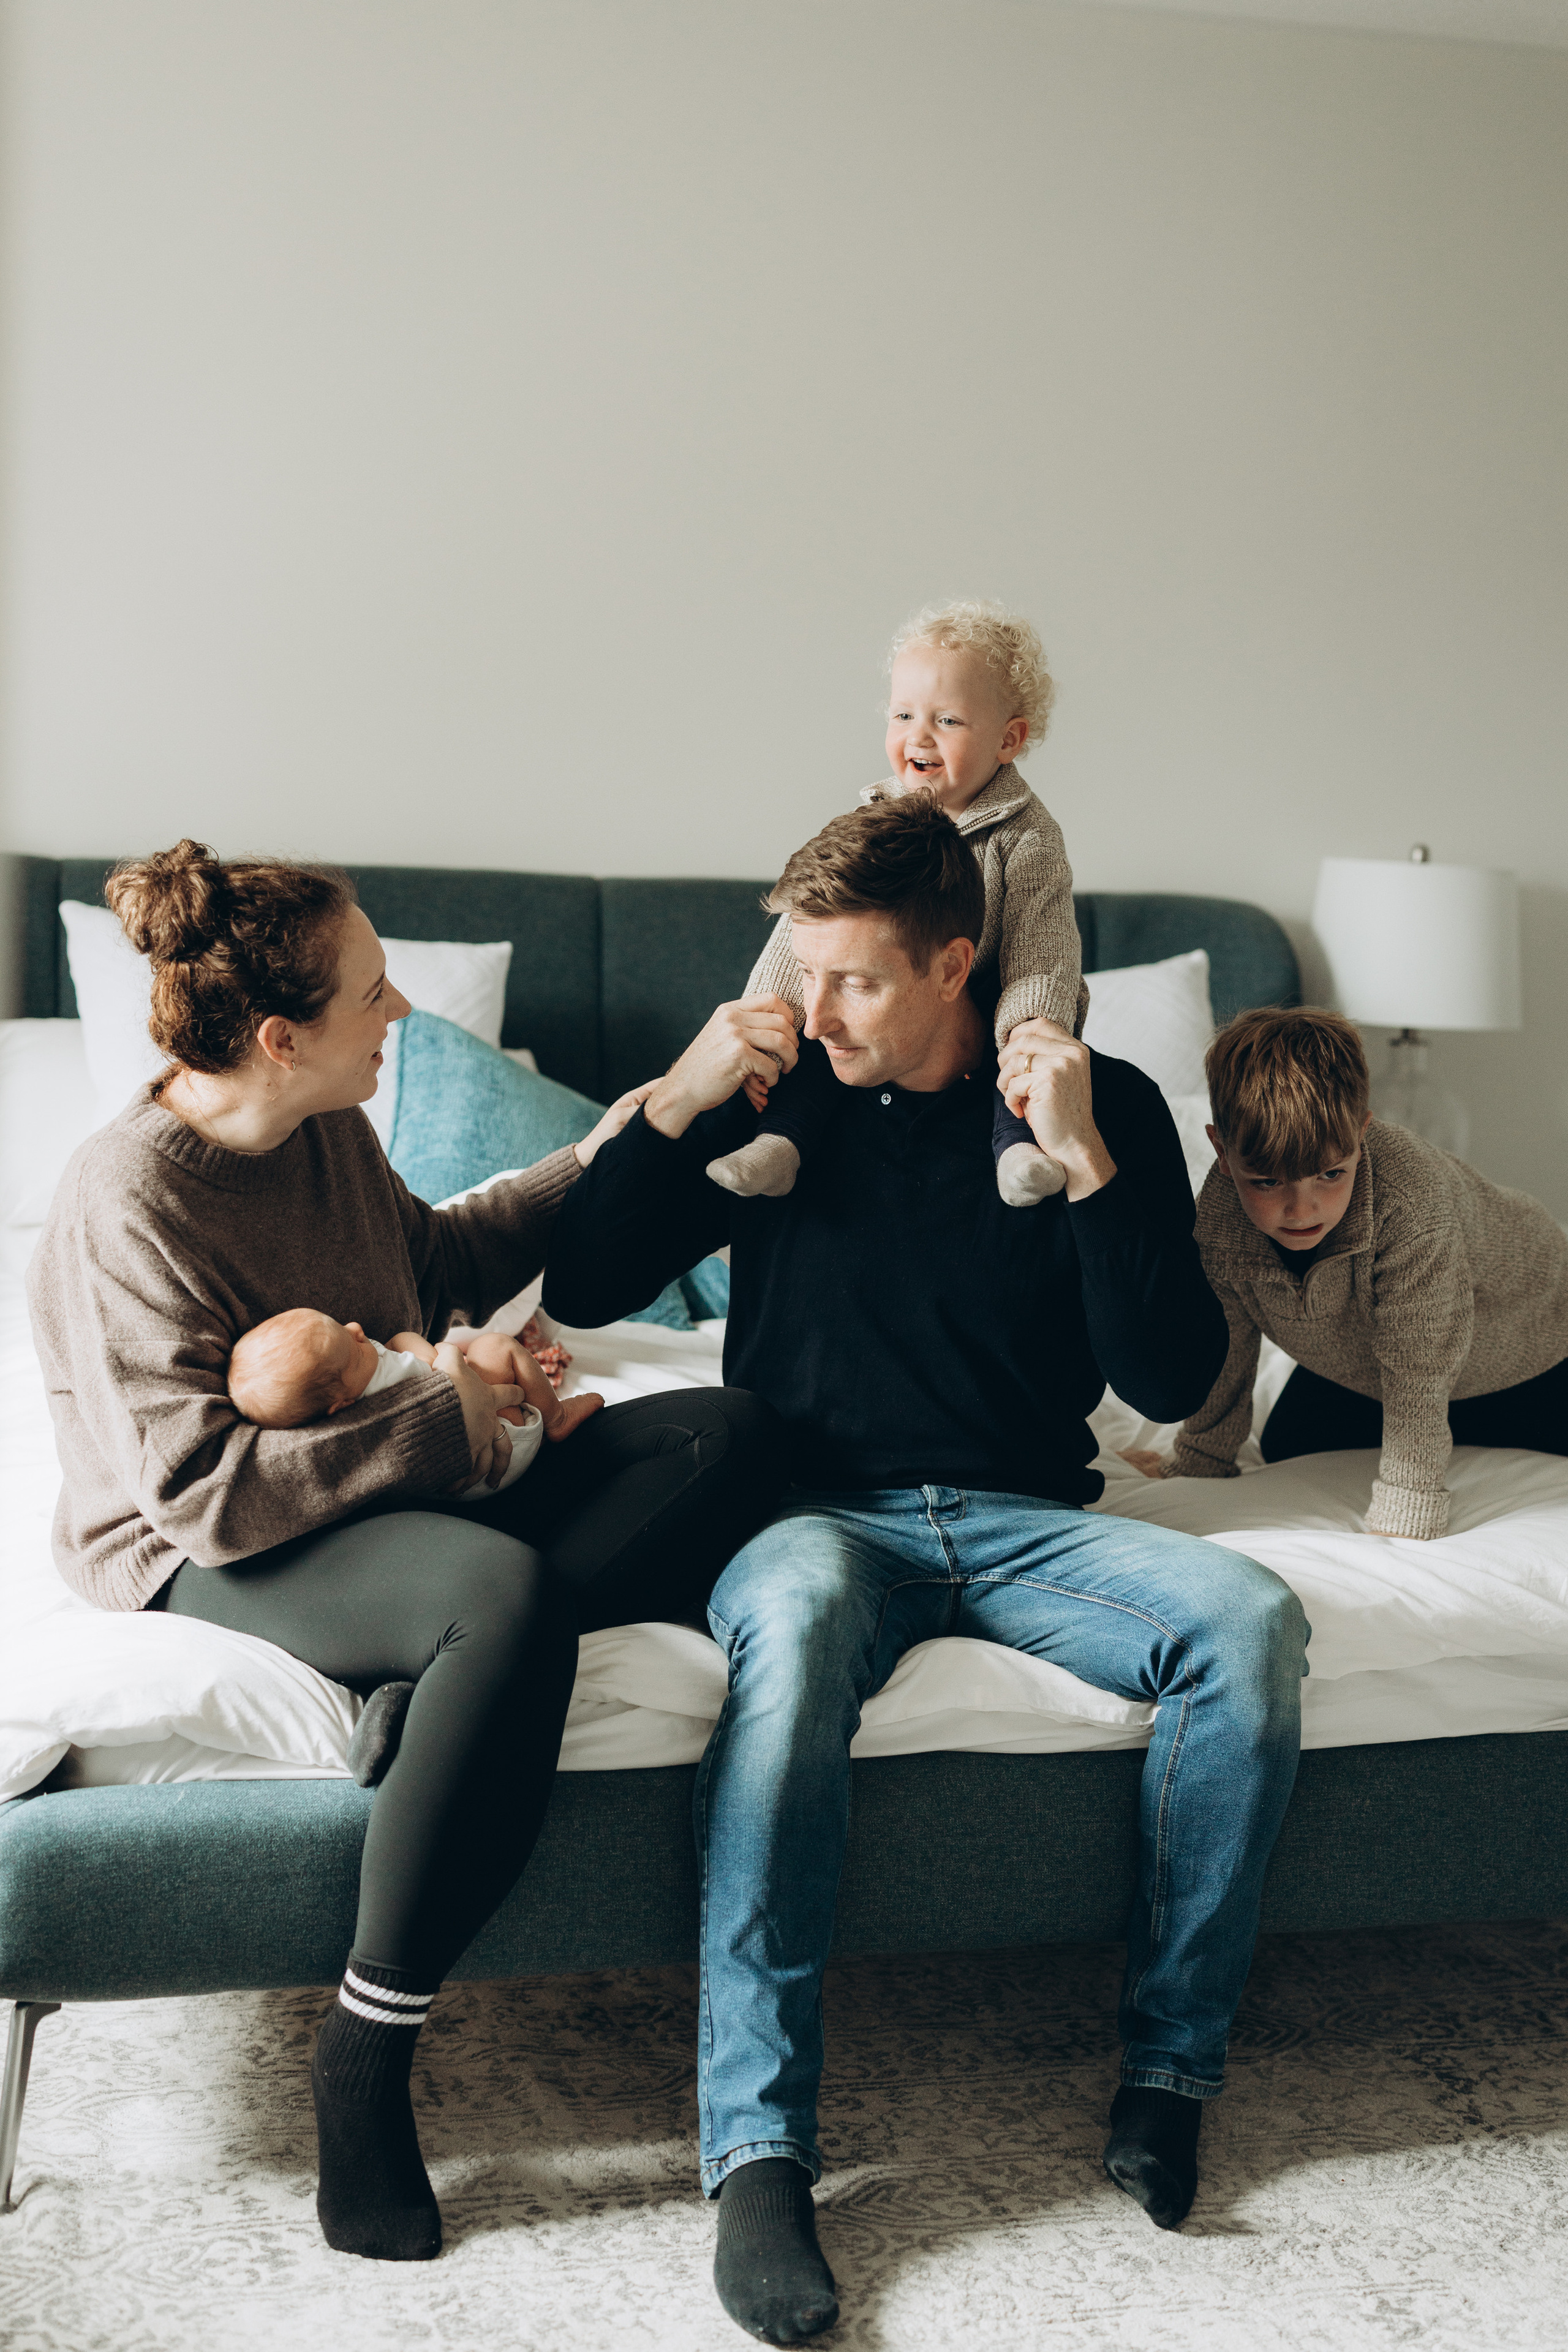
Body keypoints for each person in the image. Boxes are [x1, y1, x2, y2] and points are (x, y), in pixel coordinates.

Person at [543, 794, 1309, 2343]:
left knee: (1247, 1618)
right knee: (800, 1629)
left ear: (958, 960)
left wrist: (1087, 1165)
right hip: (815, 1514)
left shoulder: (1091, 1108)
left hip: (1026, 1519)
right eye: (799, 970)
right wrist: (683, 1098)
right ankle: (758, 2152)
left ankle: (1167, 2072)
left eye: (856, 980)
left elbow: (1165, 1381)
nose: (813, 1008)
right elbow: (581, 1282)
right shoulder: (779, 1094)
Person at [26, 839, 782, 2266]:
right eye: (376, 993)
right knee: (497, 1591)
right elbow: (205, 1495)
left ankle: (436, 1700)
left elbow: (439, 1264)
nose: (403, 1018)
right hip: (202, 1538)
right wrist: (455, 1404)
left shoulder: (326, 1134)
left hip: (372, 1495)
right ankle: (366, 2055)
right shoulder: (124, 1196)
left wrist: (658, 1115)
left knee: (725, 1432)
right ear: (278, 1035)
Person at [1125, 1007, 1568, 1537]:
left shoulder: (1411, 1205)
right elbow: (1229, 1342)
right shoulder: (1219, 1220)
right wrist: (1198, 1458)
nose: (1302, 1209)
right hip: (1366, 1359)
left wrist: (1407, 1506)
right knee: (1292, 1441)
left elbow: (1418, 1366)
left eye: (1330, 1174)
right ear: (1222, 1150)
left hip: (1534, 1337)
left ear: (1361, 1133)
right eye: (1267, 1182)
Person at [706, 599, 1089, 1208]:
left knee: (1015, 1060)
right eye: (903, 714)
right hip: (885, 1012)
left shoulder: (1027, 838)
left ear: (1008, 739)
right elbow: (808, 932)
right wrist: (767, 1016)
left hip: (989, 1000)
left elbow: (1043, 945)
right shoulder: (877, 819)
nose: (919, 736)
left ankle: (1016, 1149)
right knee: (822, 1031)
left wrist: (1034, 1024)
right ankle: (779, 1145)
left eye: (948, 721)